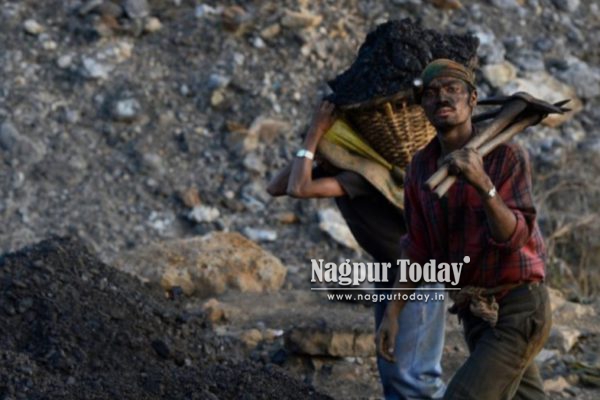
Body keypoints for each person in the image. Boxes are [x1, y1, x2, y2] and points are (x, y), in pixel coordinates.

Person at [376, 59, 552, 399]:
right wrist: (393, 312)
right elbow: (417, 248)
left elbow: (514, 237)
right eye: (431, 93)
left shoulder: (506, 157)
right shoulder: (421, 168)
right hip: (475, 313)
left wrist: (483, 184)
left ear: (472, 99)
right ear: (423, 107)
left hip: (519, 307)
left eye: (452, 89)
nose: (442, 97)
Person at [267, 101, 446, 399]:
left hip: (418, 275)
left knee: (414, 376)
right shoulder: (341, 169)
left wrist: (314, 135)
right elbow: (276, 188)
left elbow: (298, 188)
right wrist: (312, 144)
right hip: (392, 273)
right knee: (393, 368)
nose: (316, 157)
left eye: (322, 151)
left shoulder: (361, 175)